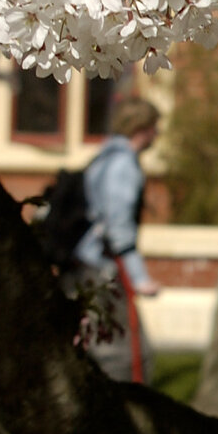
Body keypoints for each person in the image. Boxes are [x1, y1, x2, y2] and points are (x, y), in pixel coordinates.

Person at [75, 97, 163, 382]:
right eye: (155, 127)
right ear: (143, 128)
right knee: (126, 354)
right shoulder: (123, 165)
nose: (157, 135)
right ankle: (125, 413)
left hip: (89, 262)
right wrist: (139, 277)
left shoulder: (103, 157)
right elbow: (118, 225)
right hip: (105, 266)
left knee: (101, 342)